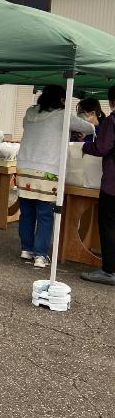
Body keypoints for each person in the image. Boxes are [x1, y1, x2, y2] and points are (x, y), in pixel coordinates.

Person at [16, 84, 94, 268]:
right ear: (61, 99)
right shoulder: (63, 115)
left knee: (27, 212)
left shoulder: (29, 112)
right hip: (48, 170)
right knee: (45, 214)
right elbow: (89, 127)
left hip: (25, 167)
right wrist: (81, 119)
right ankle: (40, 255)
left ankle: (26, 249)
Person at [80, 85, 115, 286]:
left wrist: (86, 146)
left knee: (108, 225)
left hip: (112, 183)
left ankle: (108, 271)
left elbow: (102, 147)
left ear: (111, 102)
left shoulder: (111, 121)